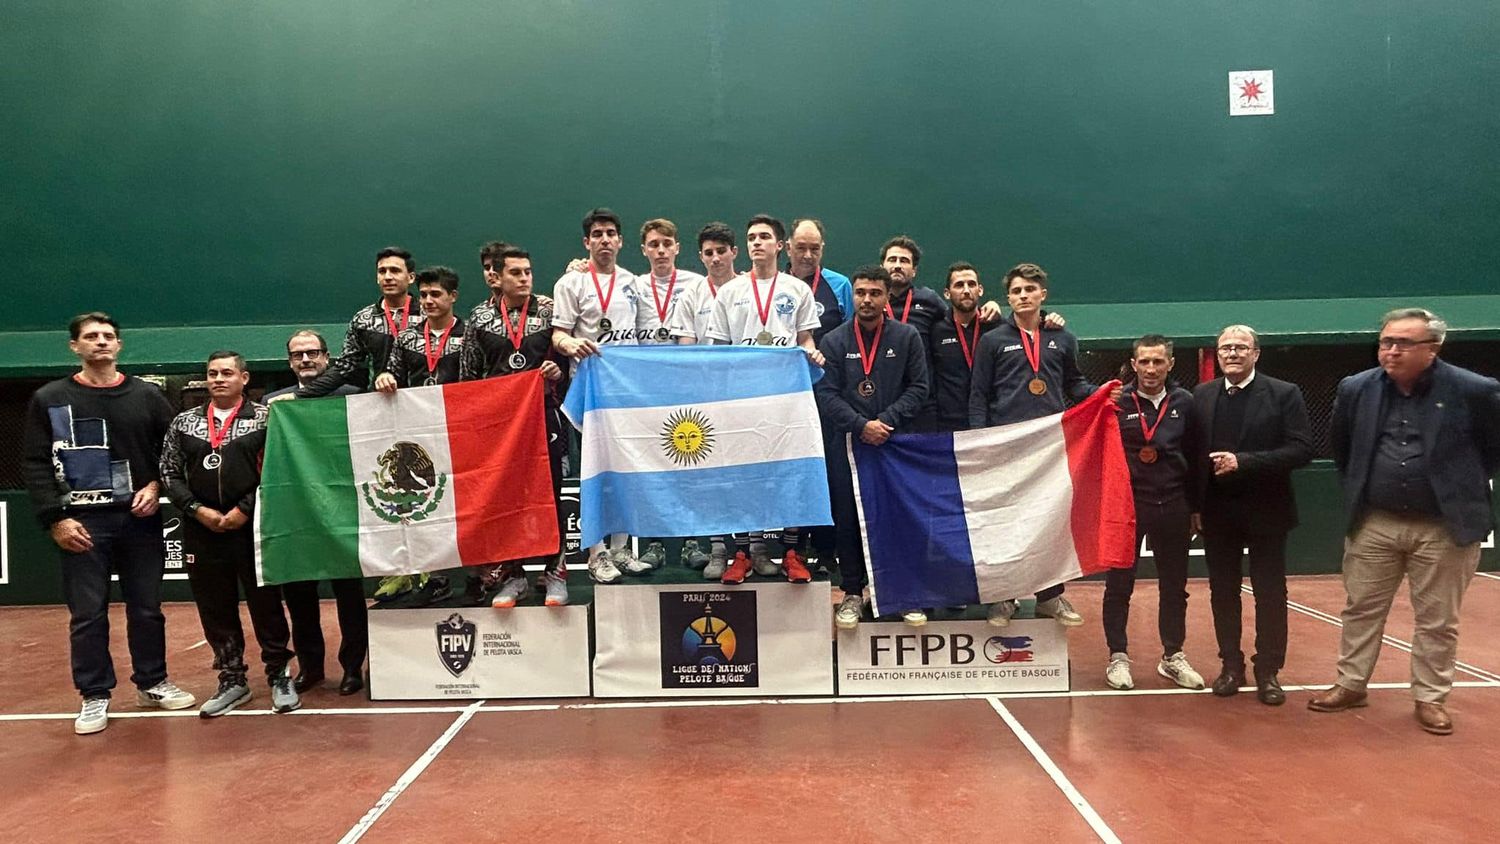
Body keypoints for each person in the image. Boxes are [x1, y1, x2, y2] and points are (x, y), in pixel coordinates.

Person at [1308, 308, 1500, 734]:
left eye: (1403, 343)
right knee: (1360, 608)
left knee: (1438, 619)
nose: (1391, 351)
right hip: (1376, 522)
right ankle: (1351, 683)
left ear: (1432, 349)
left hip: (1444, 527)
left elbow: (1491, 450)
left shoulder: (1475, 390)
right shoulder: (1356, 388)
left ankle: (1430, 698)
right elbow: (1342, 447)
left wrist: (1455, 490)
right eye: (1385, 342)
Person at [22, 312, 195, 734]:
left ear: (118, 346)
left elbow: (170, 456)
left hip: (139, 522)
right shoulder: (48, 398)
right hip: (79, 524)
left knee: (147, 609)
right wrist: (56, 519)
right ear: (75, 347)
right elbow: (34, 464)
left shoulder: (148, 398)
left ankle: (152, 682)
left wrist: (155, 488)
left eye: (108, 336)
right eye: (91, 337)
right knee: (87, 613)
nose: (101, 342)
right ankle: (95, 695)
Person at [160, 351, 299, 717]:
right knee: (214, 607)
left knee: (266, 603)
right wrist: (196, 510)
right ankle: (232, 678)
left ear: (245, 378)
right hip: (201, 529)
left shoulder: (266, 419)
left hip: (251, 527)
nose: (218, 379)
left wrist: (244, 510)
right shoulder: (184, 423)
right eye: (212, 373)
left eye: (226, 373)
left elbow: (276, 468)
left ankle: (279, 674)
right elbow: (169, 474)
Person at [969, 263, 1099, 628]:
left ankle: (1050, 596)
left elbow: (1075, 385)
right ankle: (1003, 597)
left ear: (1043, 295)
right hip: (1006, 444)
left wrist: (1102, 394)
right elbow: (979, 394)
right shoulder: (993, 340)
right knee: (1004, 519)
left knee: (1050, 519)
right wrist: (981, 441)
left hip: (1050, 446)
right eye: (1016, 291)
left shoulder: (1063, 338)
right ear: (1008, 298)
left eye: (1030, 290)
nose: (1023, 296)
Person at [1192, 324, 1313, 705]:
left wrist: (1242, 462)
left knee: (1270, 593)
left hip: (1267, 511)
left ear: (1256, 354)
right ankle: (1231, 665)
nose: (1232, 354)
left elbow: (1301, 449)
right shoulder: (1202, 395)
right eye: (1225, 347)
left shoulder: (1284, 394)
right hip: (1217, 513)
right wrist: (1195, 504)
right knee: (1222, 592)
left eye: (1240, 348)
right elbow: (1193, 455)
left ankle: (1269, 671)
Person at [706, 214, 825, 584]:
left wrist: (811, 352)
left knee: (788, 474)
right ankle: (741, 554)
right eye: (752, 236)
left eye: (765, 237)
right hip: (741, 401)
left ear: (780, 245)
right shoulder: (730, 292)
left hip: (785, 398)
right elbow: (718, 349)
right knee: (742, 476)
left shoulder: (797, 290)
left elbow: (805, 338)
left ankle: (790, 552)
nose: (758, 242)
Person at [815, 266, 929, 627]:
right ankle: (851, 592)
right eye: (861, 292)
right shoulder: (833, 341)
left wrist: (886, 422)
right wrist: (861, 425)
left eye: (874, 293)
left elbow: (920, 388)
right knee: (847, 519)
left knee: (896, 518)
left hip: (894, 445)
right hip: (847, 445)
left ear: (885, 296)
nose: (866, 299)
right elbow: (825, 393)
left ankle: (903, 592)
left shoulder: (907, 336)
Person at [551, 207, 659, 583]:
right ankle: (596, 554)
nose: (604, 240)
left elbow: (646, 341)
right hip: (590, 394)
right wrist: (571, 344)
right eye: (597, 234)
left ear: (620, 240)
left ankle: (620, 550)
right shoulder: (571, 284)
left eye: (611, 233)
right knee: (593, 474)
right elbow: (559, 334)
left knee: (626, 472)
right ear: (587, 242)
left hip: (627, 394)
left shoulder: (635, 284)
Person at [460, 243, 570, 608]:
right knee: (506, 499)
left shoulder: (550, 311)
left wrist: (558, 373)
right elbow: (469, 376)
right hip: (499, 426)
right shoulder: (478, 318)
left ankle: (555, 572)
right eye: (515, 273)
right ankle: (514, 576)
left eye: (528, 272)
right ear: (497, 276)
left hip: (543, 414)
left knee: (551, 493)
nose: (524, 279)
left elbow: (569, 363)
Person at [264, 331, 368, 696]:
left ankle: (353, 667)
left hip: (344, 511)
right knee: (299, 596)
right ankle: (310, 668)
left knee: (350, 595)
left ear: (327, 357)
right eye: (298, 355)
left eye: (313, 353)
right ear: (289, 362)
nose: (305, 360)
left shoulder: (353, 398)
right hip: (297, 512)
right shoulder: (274, 404)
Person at [1101, 335, 1205, 691]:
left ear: (1170, 364)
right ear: (1133, 364)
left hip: (1174, 504)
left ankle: (1172, 656)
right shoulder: (1117, 402)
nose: (1150, 369)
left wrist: (1196, 506)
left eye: (1158, 362)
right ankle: (1118, 657)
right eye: (1144, 361)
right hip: (1128, 507)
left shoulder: (1186, 403)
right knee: (1119, 585)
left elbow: (1195, 457)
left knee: (1175, 586)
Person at [634, 218, 713, 572]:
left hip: (688, 386)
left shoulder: (698, 284)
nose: (661, 250)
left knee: (691, 462)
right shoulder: (632, 287)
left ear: (678, 248)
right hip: (645, 387)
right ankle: (652, 544)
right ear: (644, 250)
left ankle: (693, 541)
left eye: (667, 243)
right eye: (654, 244)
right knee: (651, 465)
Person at [668, 221, 741, 580]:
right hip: (705, 398)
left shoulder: (748, 290)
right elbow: (684, 344)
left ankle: (752, 549)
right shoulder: (692, 295)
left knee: (743, 473)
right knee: (712, 476)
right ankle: (717, 549)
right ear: (700, 257)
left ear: (734, 253)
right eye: (708, 253)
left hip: (744, 396)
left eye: (721, 251)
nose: (715, 259)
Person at [293, 246, 423, 397]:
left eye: (395, 271)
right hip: (381, 401)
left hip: (424, 402)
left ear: (411, 277)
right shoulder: (363, 320)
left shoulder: (428, 315)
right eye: (382, 271)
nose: (387, 277)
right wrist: (299, 395)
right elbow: (344, 368)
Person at [376, 266, 466, 390]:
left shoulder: (471, 337)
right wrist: (386, 378)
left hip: (458, 406)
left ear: (453, 296)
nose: (428, 301)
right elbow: (394, 375)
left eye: (435, 294)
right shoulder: (406, 338)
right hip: (417, 408)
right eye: (423, 295)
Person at [786, 218, 854, 343]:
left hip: (829, 361)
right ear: (788, 248)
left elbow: (852, 334)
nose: (808, 255)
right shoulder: (775, 284)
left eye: (814, 249)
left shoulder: (841, 285)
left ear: (822, 248)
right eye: (801, 248)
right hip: (786, 361)